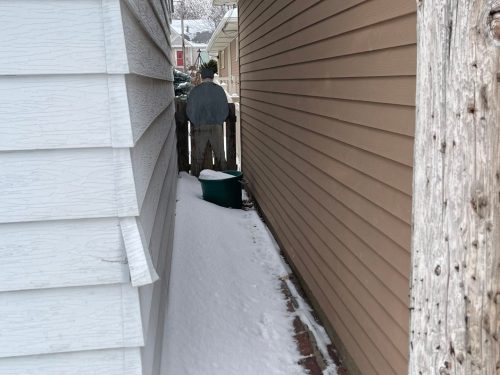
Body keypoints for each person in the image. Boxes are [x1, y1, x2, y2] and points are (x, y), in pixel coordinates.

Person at [186, 68, 229, 177]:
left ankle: (195, 179)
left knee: (197, 157)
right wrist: (219, 121)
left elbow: (189, 109)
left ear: (202, 77)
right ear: (212, 77)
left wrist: (196, 122)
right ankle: (223, 177)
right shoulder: (219, 90)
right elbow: (225, 109)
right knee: (220, 155)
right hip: (216, 126)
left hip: (199, 127)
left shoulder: (195, 91)